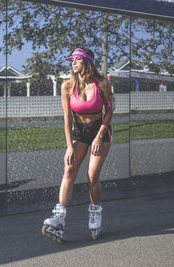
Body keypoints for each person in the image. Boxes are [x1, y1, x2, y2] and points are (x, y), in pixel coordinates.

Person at [42, 47, 115, 242]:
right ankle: (58, 219)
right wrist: (69, 145)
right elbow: (67, 118)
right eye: (72, 60)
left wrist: (99, 136)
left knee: (92, 175)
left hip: (100, 129)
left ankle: (95, 212)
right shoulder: (67, 86)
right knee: (69, 170)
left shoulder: (102, 84)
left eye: (77, 59)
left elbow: (109, 110)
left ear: (87, 62)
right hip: (79, 131)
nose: (73, 63)